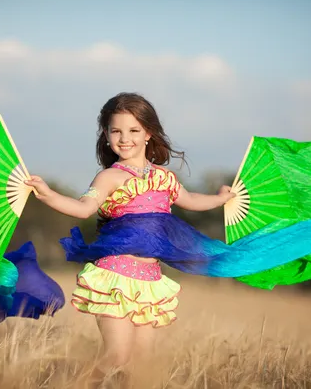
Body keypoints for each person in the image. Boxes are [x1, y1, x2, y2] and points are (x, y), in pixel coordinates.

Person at [24, 92, 236, 382]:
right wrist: (48, 195)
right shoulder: (109, 178)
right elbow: (83, 208)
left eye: (134, 130)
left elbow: (191, 199)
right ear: (107, 135)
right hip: (115, 278)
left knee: (140, 363)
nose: (125, 138)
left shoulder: (165, 178)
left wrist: (220, 198)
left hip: (149, 281)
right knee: (116, 355)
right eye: (116, 131)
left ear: (148, 133)